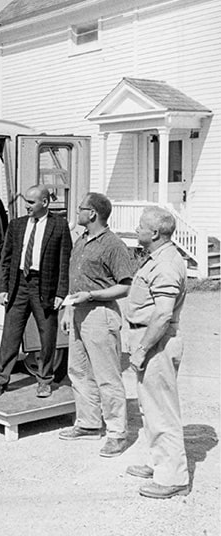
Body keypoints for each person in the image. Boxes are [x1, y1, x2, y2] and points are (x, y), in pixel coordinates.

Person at [58, 192, 135, 458]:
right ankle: (89, 423)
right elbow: (74, 279)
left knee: (107, 376)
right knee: (78, 371)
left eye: (80, 208)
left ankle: (116, 433)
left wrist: (91, 296)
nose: (76, 213)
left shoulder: (113, 245)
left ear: (92, 213)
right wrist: (70, 310)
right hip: (79, 312)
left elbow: (125, 286)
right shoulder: (81, 240)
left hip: (101, 315)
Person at [124, 206, 190, 499]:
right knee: (149, 407)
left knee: (163, 411)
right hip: (150, 338)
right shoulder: (157, 257)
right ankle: (157, 462)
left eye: (140, 226)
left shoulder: (165, 264)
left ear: (154, 233)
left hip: (157, 342)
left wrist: (141, 349)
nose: (137, 230)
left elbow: (162, 315)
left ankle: (172, 478)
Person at [0, 184, 72, 398]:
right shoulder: (16, 225)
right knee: (10, 336)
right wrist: (4, 288)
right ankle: (0, 381)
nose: (27, 207)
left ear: (45, 202)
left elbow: (64, 263)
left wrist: (61, 293)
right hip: (19, 286)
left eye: (31, 202)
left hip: (45, 287)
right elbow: (5, 260)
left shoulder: (59, 226)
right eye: (26, 202)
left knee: (47, 336)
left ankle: (44, 380)